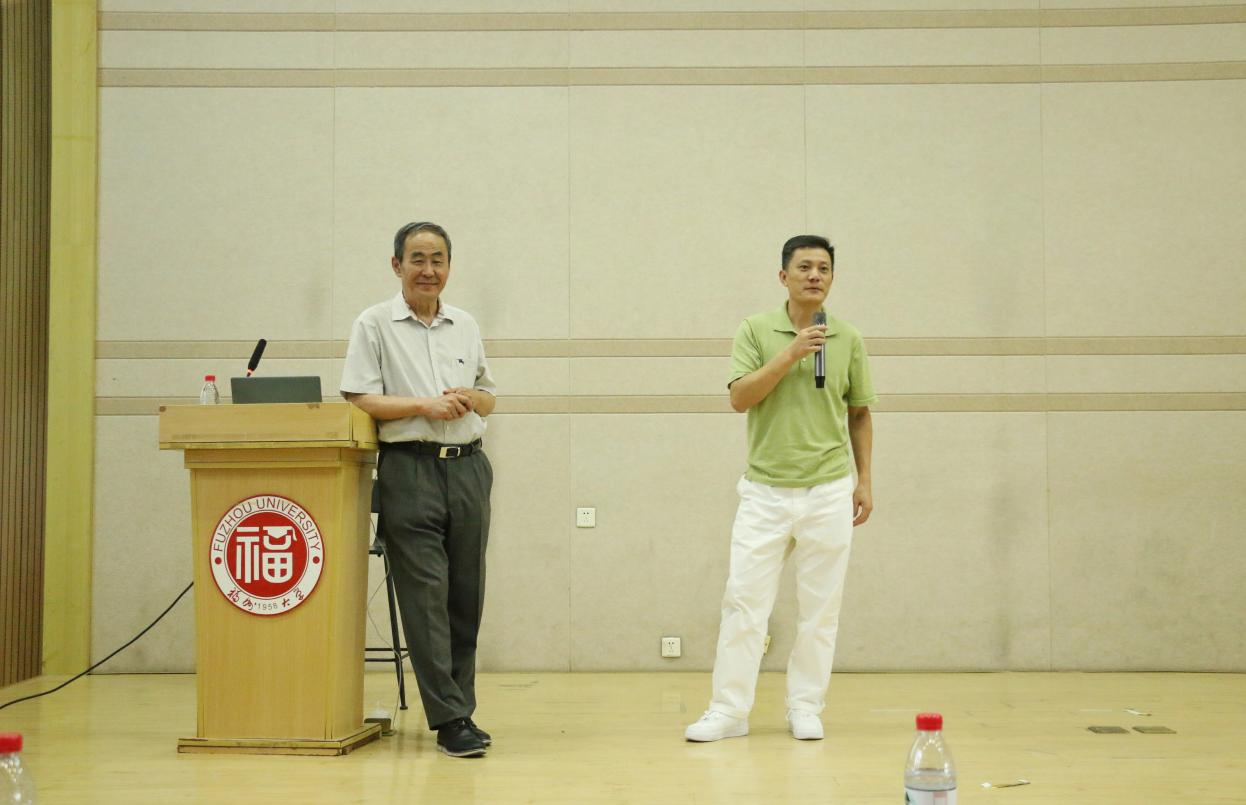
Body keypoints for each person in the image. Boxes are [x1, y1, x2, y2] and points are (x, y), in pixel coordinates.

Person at [685, 234, 877, 743]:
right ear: (783, 276)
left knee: (821, 609)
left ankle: (805, 707)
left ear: (832, 278)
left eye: (824, 268)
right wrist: (791, 353)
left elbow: (859, 413)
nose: (815, 276)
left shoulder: (848, 338)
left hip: (829, 489)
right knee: (744, 603)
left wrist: (864, 480)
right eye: (804, 267)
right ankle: (729, 711)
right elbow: (740, 398)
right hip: (764, 491)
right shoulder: (754, 330)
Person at [341, 221, 497, 758]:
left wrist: (471, 398)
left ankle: (462, 708)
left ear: (449, 266)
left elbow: (490, 395)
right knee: (426, 596)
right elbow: (359, 397)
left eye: (438, 260)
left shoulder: (465, 324)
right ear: (397, 265)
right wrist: (423, 405)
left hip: (469, 468)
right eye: (417, 259)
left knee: (465, 595)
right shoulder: (374, 324)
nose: (428, 270)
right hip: (410, 469)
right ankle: (449, 719)